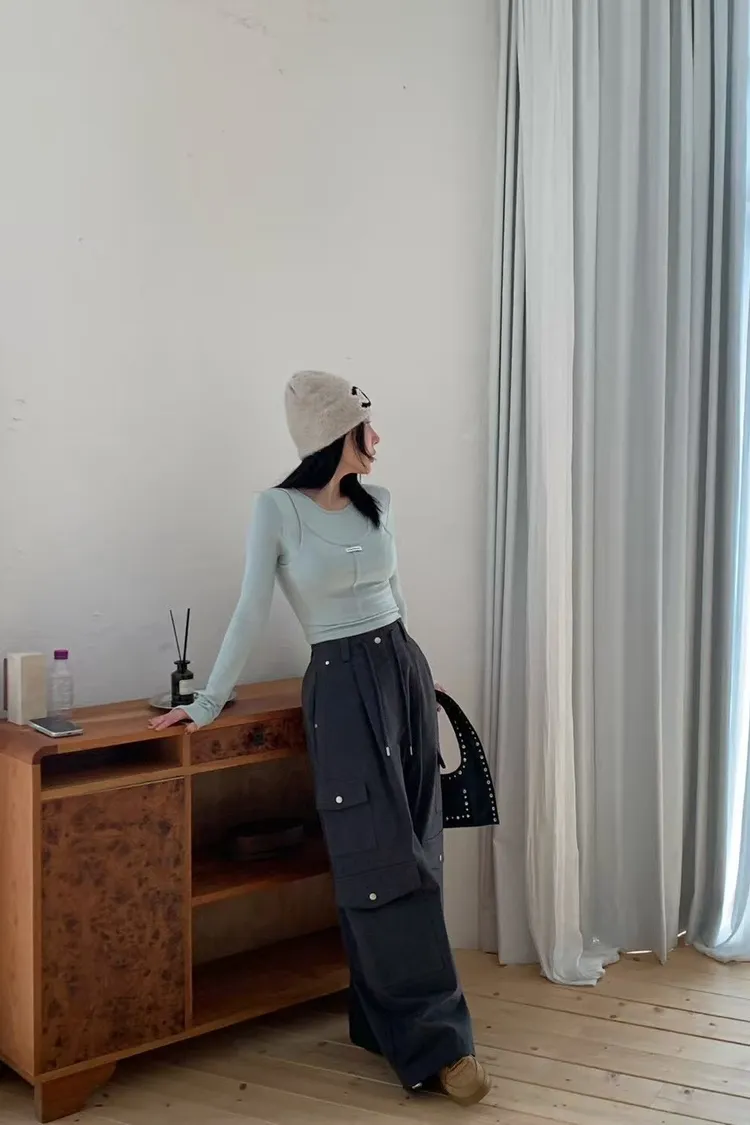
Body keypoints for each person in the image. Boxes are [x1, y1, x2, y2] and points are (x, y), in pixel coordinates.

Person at [150, 372, 490, 1106]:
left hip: (402, 672)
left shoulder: (380, 502)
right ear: (336, 434)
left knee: (420, 846)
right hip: (338, 685)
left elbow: (395, 597)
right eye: (368, 426)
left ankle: (382, 1021)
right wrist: (205, 703)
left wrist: (418, 679)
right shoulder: (277, 510)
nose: (378, 438)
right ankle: (440, 1043)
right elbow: (250, 607)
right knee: (379, 859)